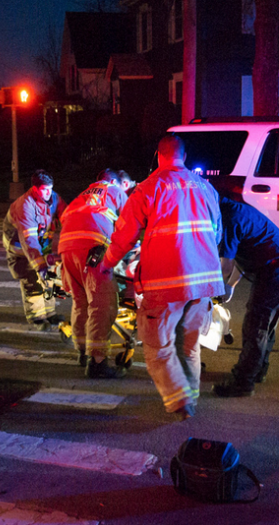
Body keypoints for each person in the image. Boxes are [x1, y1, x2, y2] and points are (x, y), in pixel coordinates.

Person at [101, 135, 224, 420]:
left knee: (157, 344)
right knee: (191, 344)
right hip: (204, 280)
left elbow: (123, 237)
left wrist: (106, 264)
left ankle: (180, 400)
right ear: (184, 155)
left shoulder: (147, 189)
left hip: (166, 282)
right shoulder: (206, 187)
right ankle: (190, 395)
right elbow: (216, 233)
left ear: (158, 155)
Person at [212, 195, 279, 397]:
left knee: (256, 327)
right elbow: (246, 255)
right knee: (265, 326)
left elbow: (226, 264)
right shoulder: (234, 210)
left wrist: (211, 288)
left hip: (275, 271)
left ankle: (242, 383)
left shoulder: (228, 218)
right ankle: (257, 370)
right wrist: (230, 286)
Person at [58, 169, 130, 378]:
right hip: (93, 246)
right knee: (102, 303)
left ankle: (82, 352)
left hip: (67, 246)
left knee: (80, 301)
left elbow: (66, 218)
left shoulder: (84, 194)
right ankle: (97, 362)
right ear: (115, 181)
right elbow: (128, 224)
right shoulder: (115, 190)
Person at [2, 170, 67, 331]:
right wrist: (40, 266)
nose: (49, 193)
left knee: (49, 279)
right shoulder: (24, 206)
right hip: (21, 249)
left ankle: (50, 314)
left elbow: (67, 216)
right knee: (32, 280)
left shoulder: (54, 198)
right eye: (45, 189)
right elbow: (29, 241)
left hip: (40, 245)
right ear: (35, 188)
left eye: (51, 188)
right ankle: (37, 318)